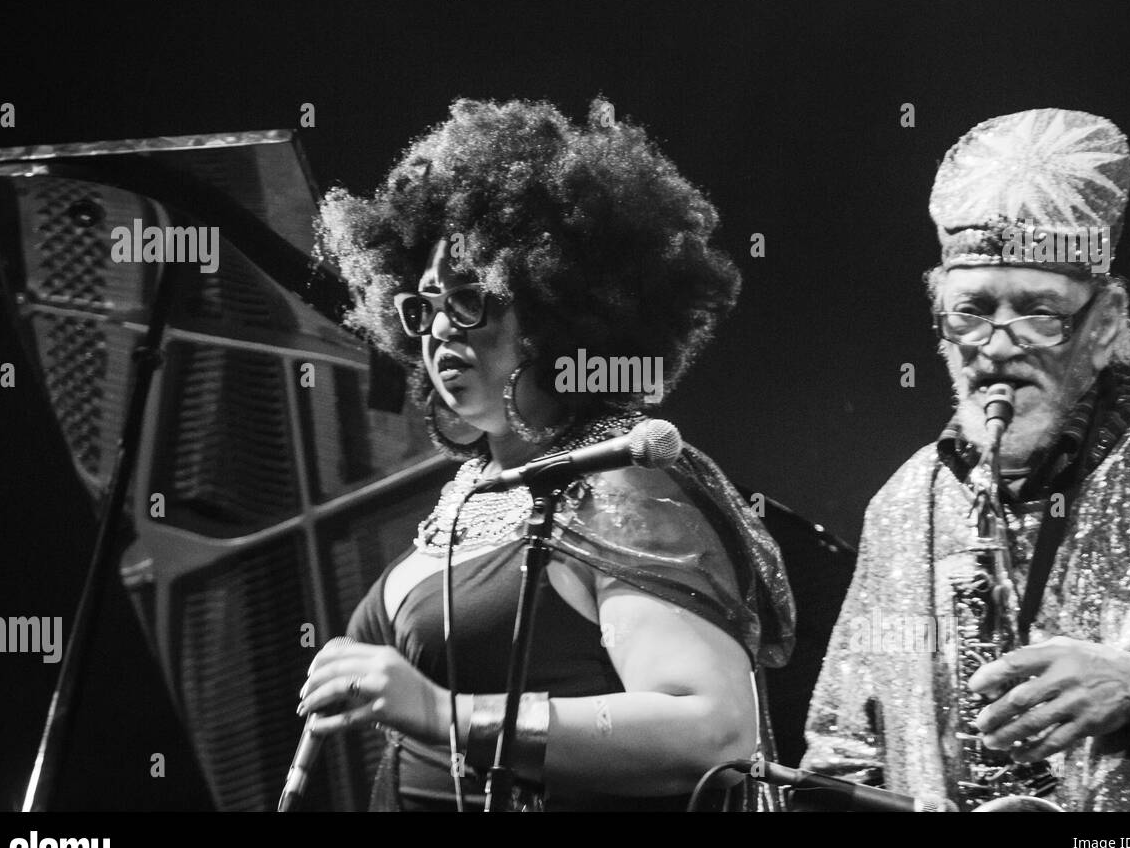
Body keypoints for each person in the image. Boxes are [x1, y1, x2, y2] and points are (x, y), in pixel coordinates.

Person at [300, 97, 795, 810]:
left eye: (469, 299)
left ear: (557, 305)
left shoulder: (621, 482)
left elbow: (711, 731)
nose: (439, 327)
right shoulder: (469, 490)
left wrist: (445, 714)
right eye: (423, 304)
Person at [802, 108, 1130, 811]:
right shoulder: (903, 503)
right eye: (972, 311)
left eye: (1038, 311)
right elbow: (843, 754)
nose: (998, 343)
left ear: (1105, 323)